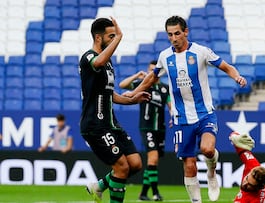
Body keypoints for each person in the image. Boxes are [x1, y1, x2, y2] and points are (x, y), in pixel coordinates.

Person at [124, 15, 247, 203]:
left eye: (177, 33)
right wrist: (135, 92)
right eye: (170, 34)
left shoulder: (201, 52)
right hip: (181, 118)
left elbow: (225, 66)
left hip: (205, 113)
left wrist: (236, 76)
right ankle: (196, 202)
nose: (174, 38)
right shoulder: (165, 56)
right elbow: (152, 78)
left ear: (186, 32)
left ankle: (212, 174)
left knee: (207, 149)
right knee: (189, 164)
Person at [79, 17, 151, 203]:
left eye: (114, 36)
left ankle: (99, 186)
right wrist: (119, 38)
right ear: (98, 38)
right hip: (95, 125)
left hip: (111, 123)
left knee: (135, 164)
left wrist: (133, 99)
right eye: (110, 36)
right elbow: (98, 62)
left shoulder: (108, 64)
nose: (113, 39)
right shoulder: (88, 58)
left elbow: (111, 95)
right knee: (121, 167)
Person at [119, 60, 171, 201]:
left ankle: (143, 193)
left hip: (160, 128)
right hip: (147, 127)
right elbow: (122, 85)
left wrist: (173, 117)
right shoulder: (143, 85)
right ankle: (155, 193)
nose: (152, 72)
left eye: (155, 70)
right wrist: (137, 75)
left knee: (152, 162)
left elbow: (171, 105)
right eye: (150, 70)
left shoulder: (165, 88)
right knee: (153, 159)